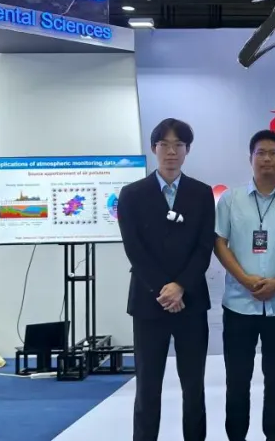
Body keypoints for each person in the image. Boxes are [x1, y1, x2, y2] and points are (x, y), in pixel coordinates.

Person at [117, 119, 215, 441]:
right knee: (147, 387)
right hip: (149, 303)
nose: (171, 152)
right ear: (153, 148)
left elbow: (204, 247)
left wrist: (180, 286)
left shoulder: (201, 193)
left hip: (191, 302)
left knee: (193, 386)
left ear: (187, 150)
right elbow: (134, 249)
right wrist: (164, 289)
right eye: (164, 145)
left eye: (178, 145)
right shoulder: (132, 194)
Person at [214, 129, 275, 441]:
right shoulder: (231, 200)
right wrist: (243, 278)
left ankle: (274, 436)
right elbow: (220, 243)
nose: (267, 159)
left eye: (274, 153)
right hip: (239, 304)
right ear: (250, 158)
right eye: (261, 153)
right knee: (237, 379)